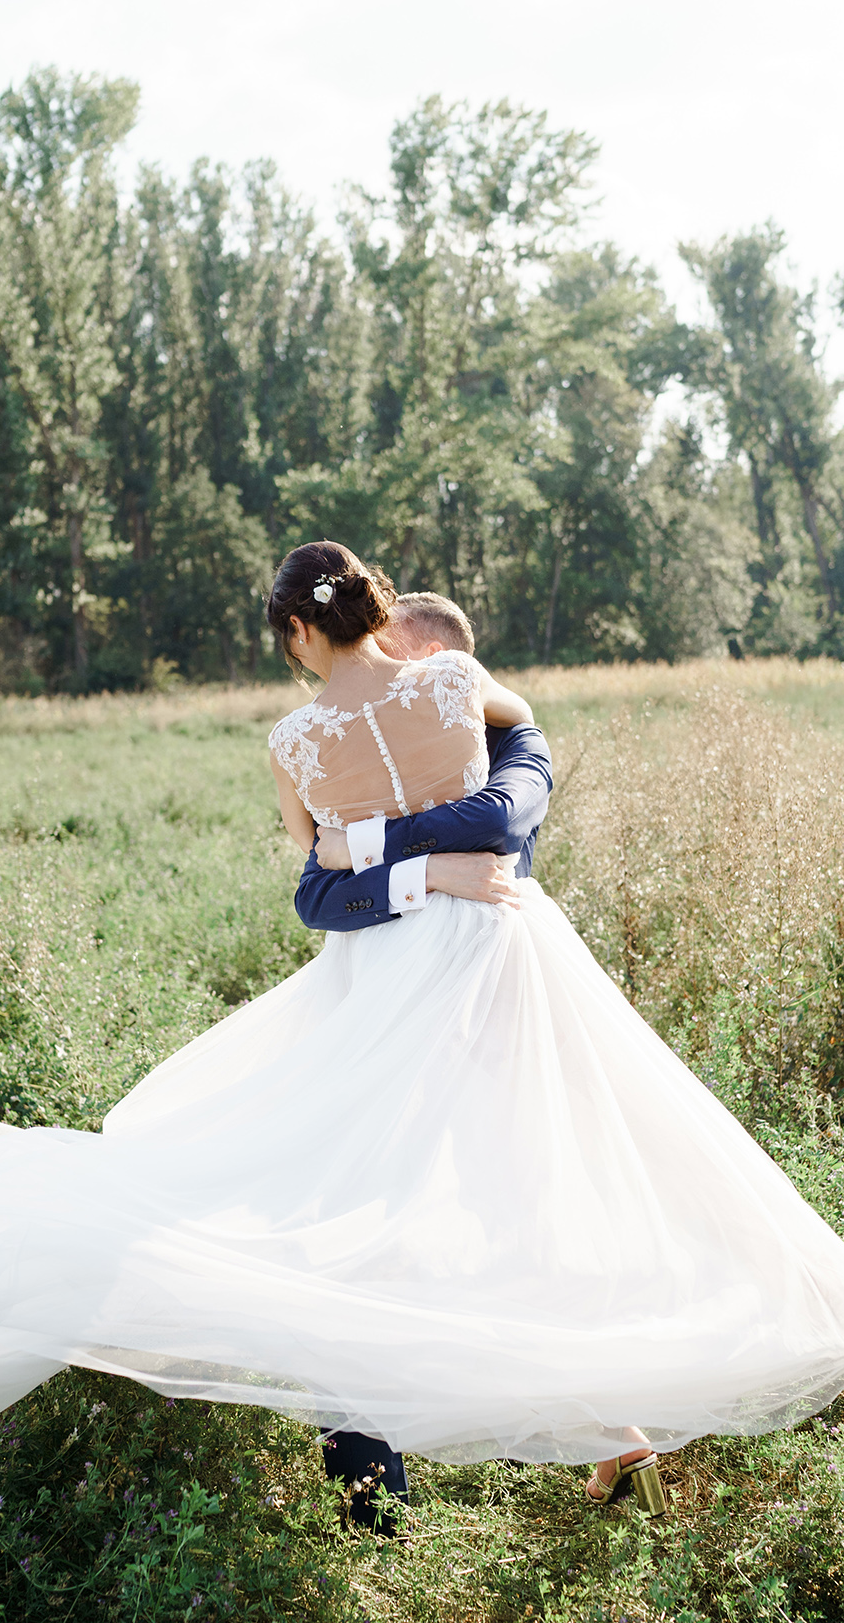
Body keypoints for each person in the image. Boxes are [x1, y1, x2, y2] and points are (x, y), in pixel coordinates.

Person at [0, 541, 844, 1528]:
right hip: (498, 952)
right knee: (518, 1176)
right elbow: (497, 795)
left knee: (349, 1190)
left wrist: (379, 852)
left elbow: (329, 868)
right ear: (380, 608)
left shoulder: (292, 745)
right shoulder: (458, 681)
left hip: (384, 975)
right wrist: (438, 861)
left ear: (291, 632)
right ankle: (586, 1421)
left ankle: (491, 1438)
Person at [297, 589, 553, 1528]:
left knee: (507, 1223)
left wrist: (367, 843)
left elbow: (496, 824)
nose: (382, 683)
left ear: (453, 672)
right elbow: (316, 897)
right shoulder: (359, 733)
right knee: (362, 1231)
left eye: (398, 661)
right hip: (384, 1015)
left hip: (486, 1015)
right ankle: (374, 1504)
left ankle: (608, 1429)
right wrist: (401, 869)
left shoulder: (514, 745)